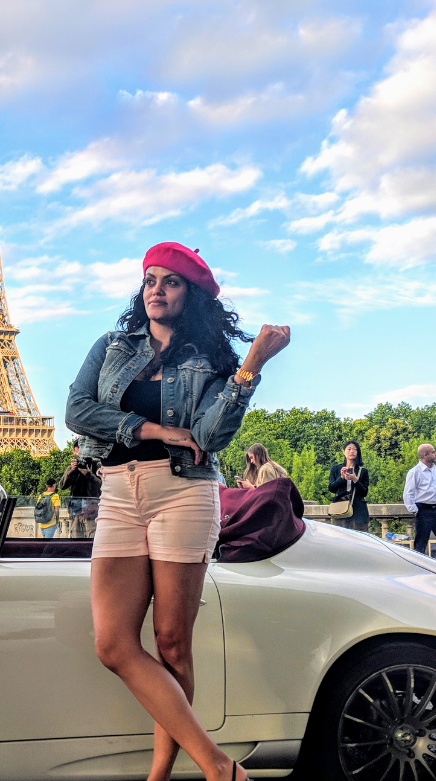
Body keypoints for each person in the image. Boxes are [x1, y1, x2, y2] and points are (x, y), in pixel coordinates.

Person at [65, 241, 289, 781]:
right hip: (119, 493)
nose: (156, 291)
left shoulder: (211, 359)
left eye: (170, 282)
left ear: (191, 295)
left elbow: (210, 436)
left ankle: (161, 774)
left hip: (184, 493)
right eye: (149, 281)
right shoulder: (113, 345)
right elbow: (77, 410)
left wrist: (251, 367)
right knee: (114, 644)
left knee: (172, 643)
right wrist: (157, 429)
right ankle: (217, 766)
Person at [404, 443, 436, 566]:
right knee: (421, 542)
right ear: (425, 455)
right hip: (423, 509)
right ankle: (419, 567)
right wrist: (415, 510)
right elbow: (408, 494)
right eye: (433, 452)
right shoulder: (415, 472)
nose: (435, 454)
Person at [60, 438, 102, 538]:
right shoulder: (72, 467)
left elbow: (103, 486)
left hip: (91, 511)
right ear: (74, 451)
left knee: (92, 539)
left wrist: (90, 475)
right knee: (75, 540)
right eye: (79, 448)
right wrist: (71, 471)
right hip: (76, 511)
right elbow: (62, 486)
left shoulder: (96, 465)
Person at [328, 440, 370, 532]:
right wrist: (342, 478)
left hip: (358, 510)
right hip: (340, 509)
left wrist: (355, 479)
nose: (352, 451)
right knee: (340, 537)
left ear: (358, 452)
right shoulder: (336, 469)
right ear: (344, 452)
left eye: (354, 449)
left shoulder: (363, 471)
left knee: (359, 537)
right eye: (349, 449)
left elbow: (364, 492)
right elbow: (331, 488)